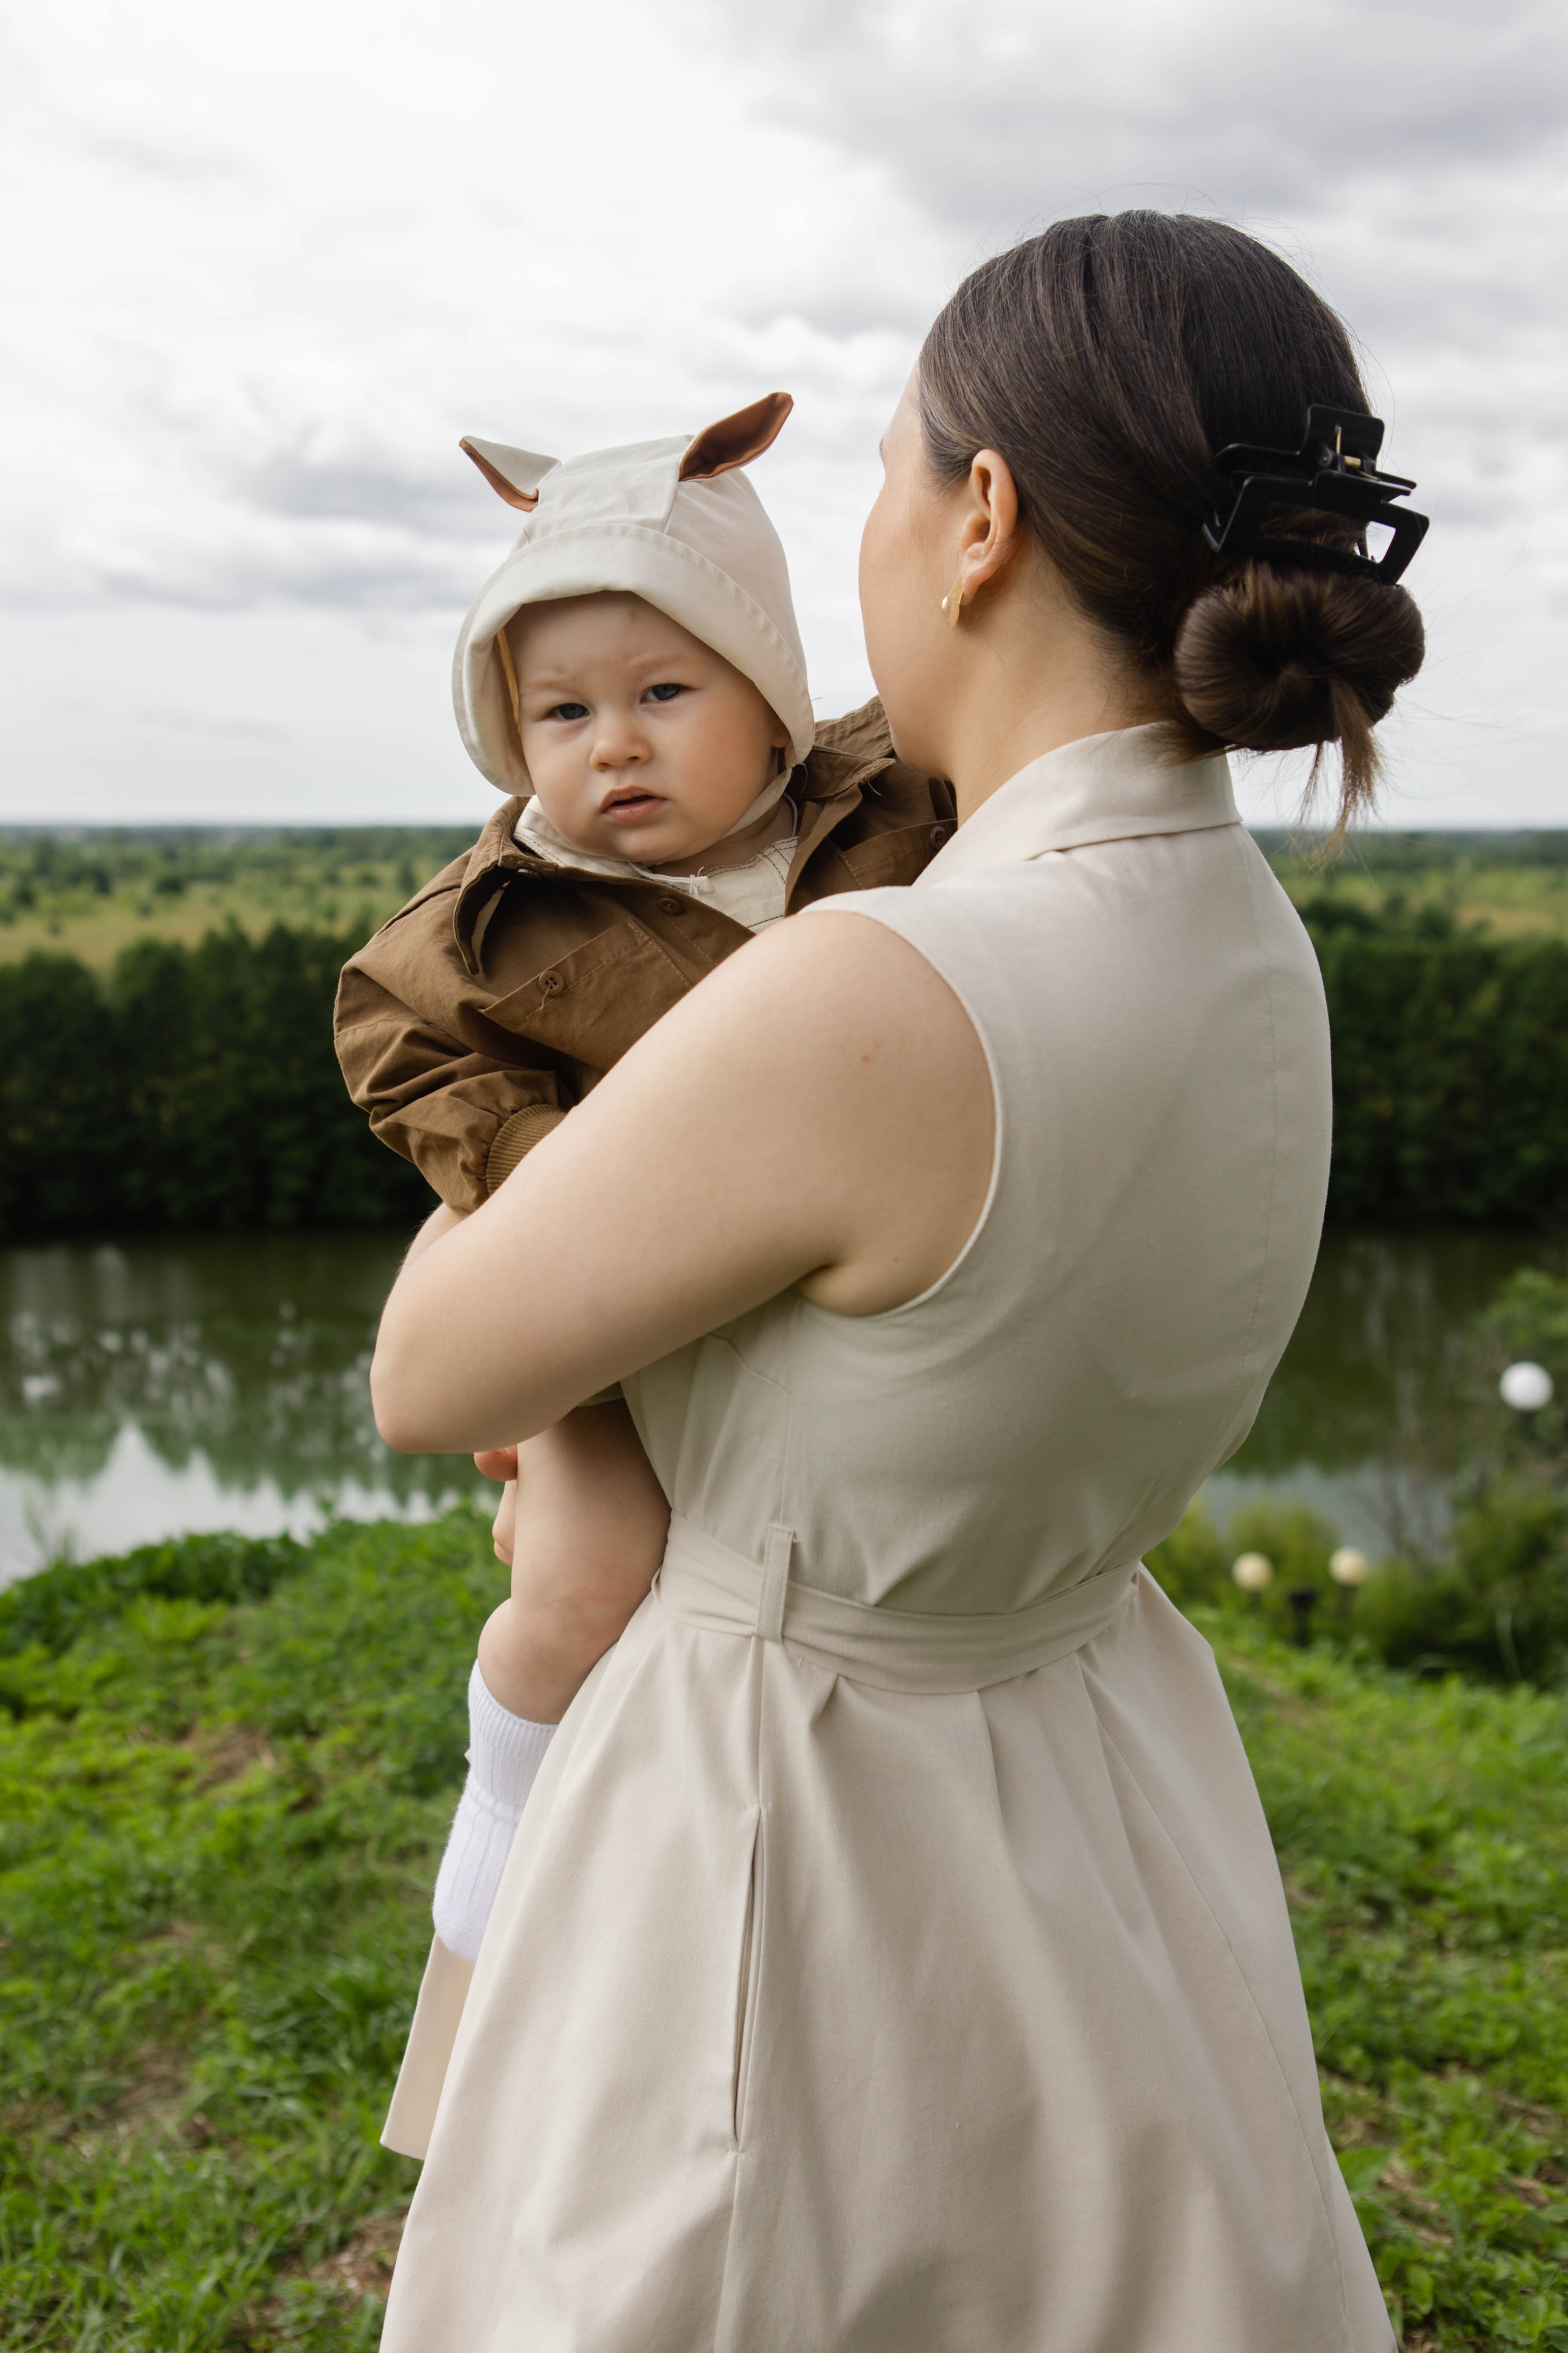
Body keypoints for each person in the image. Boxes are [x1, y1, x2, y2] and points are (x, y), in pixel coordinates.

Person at [371, 211, 1425, 2349]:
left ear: (980, 521)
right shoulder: (1253, 941)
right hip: (1092, 1793)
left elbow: (432, 1365)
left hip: (783, 1847)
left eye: (872, 474)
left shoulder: (875, 995)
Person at [334, 395, 951, 1963]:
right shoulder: (499, 921)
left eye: (663, 690)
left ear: (768, 690)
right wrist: (553, 1192)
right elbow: (395, 1038)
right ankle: (504, 1812)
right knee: (587, 1572)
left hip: (839, 1280)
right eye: (558, 713)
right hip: (604, 1308)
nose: (610, 743)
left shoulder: (881, 810)